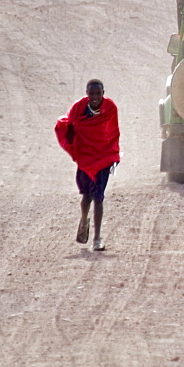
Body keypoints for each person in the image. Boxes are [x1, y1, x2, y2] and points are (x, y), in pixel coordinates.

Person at [55, 79, 120, 251]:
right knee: (86, 197)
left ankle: (97, 239)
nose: (95, 97)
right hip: (85, 158)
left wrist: (113, 154)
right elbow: (67, 124)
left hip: (104, 157)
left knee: (99, 197)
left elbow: (113, 132)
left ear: (103, 93)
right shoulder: (79, 107)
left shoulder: (110, 108)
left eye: (98, 93)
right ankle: (84, 221)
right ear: (87, 93)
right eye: (91, 93)